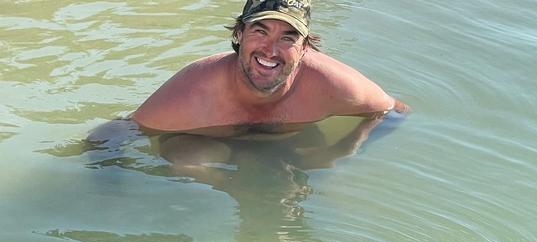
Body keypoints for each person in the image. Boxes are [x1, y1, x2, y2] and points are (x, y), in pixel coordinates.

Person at [131, 0, 410, 138]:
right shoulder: (195, 87)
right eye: (260, 31)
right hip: (203, 151)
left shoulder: (330, 84)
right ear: (239, 33)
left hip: (285, 153)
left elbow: (394, 111)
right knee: (192, 162)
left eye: (288, 38)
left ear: (305, 48)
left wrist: (344, 152)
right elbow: (118, 133)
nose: (271, 49)